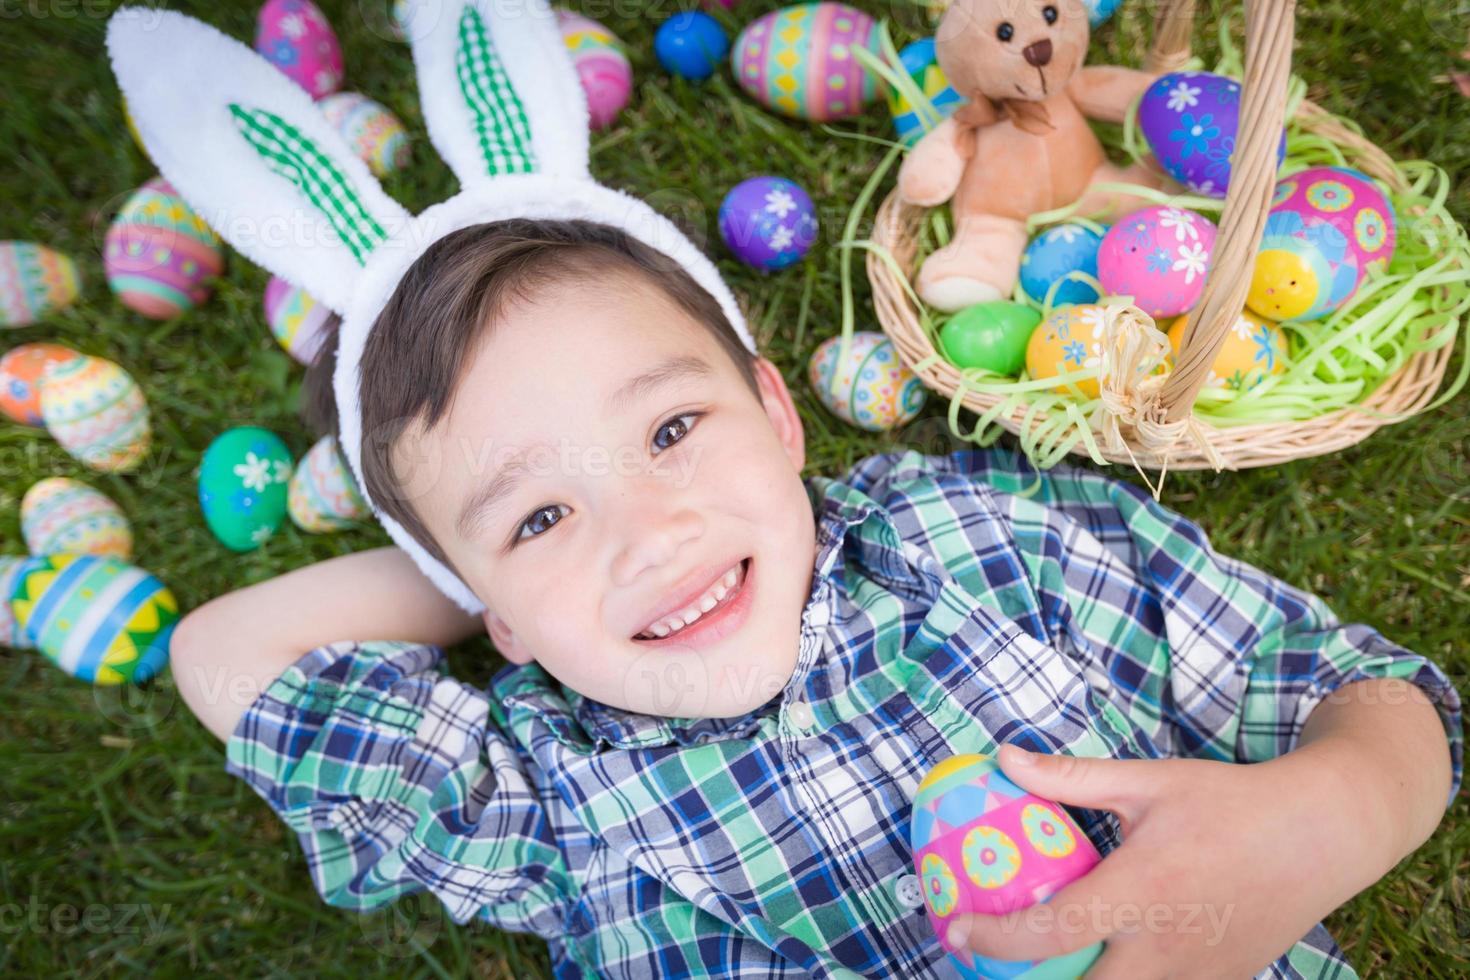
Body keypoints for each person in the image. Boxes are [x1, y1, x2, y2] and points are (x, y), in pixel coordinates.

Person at [171, 216, 1462, 979]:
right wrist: (478, 576)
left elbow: (1365, 692)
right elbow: (230, 657)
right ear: (488, 614)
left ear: (776, 413)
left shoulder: (978, 543)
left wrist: (1324, 816)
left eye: (672, 430)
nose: (652, 534)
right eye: (546, 518)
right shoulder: (543, 793)